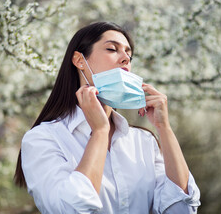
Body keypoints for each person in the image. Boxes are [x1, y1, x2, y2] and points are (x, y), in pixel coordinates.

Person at [14, 22, 201, 214]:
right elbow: (70, 209)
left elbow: (182, 210)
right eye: (112, 49)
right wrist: (100, 132)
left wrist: (164, 128)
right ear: (79, 61)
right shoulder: (43, 138)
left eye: (129, 54)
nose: (125, 58)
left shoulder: (143, 142)